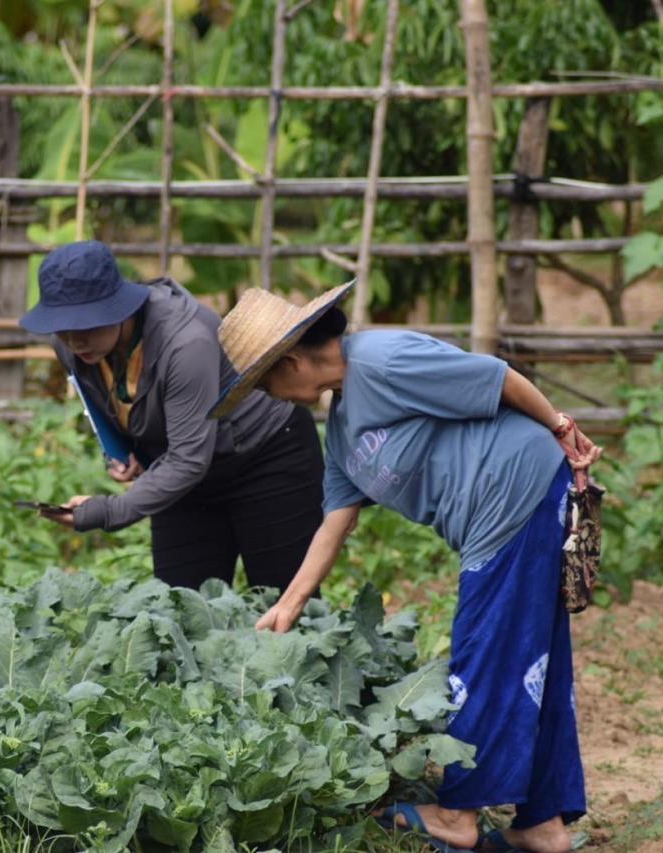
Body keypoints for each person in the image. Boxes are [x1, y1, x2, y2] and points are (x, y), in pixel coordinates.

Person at [211, 282, 602, 853]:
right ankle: (540, 824)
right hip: (499, 515)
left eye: (265, 382)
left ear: (291, 361)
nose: (270, 396)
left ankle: (458, 814)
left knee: (483, 656)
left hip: (518, 491)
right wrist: (288, 605)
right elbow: (336, 518)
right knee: (529, 660)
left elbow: (496, 378)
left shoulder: (383, 360)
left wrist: (561, 428)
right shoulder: (342, 425)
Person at [20, 240, 326, 593]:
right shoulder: (72, 347)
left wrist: (105, 511)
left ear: (117, 309)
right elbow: (112, 402)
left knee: (284, 604)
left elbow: (188, 459)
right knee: (181, 610)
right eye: (62, 328)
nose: (74, 341)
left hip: (265, 457)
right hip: (184, 472)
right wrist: (122, 451)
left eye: (85, 326)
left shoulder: (185, 343)